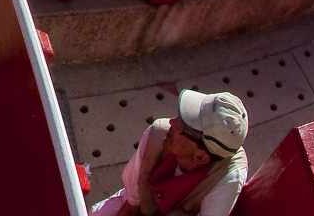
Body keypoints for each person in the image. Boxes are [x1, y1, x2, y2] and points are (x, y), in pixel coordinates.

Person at [92, 90, 249, 216]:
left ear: (200, 157)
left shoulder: (228, 178)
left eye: (184, 127)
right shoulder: (159, 132)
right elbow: (133, 198)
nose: (172, 123)